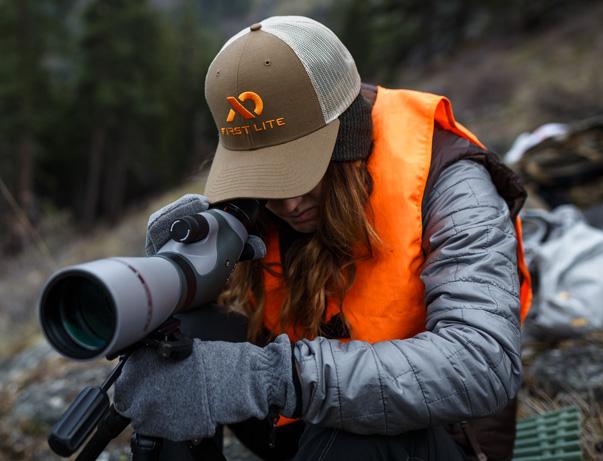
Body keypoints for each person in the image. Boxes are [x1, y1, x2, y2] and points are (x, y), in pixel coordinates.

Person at [113, 16, 533, 461]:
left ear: (348, 135)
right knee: (183, 339)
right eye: (268, 177)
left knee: (356, 437)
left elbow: (483, 364)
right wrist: (175, 274)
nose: (288, 203)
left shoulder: (453, 184)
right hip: (305, 424)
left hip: (430, 439)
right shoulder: (257, 201)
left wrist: (271, 378)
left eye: (303, 169)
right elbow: (207, 324)